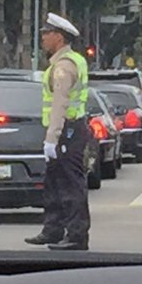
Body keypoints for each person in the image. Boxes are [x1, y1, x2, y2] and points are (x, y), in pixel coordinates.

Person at [25, 13, 92, 250]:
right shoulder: (67, 61)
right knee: (53, 182)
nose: (43, 37)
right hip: (66, 130)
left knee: (70, 184)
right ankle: (53, 229)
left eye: (47, 33)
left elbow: (59, 105)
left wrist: (51, 139)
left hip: (67, 131)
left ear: (59, 38)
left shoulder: (64, 67)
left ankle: (76, 235)